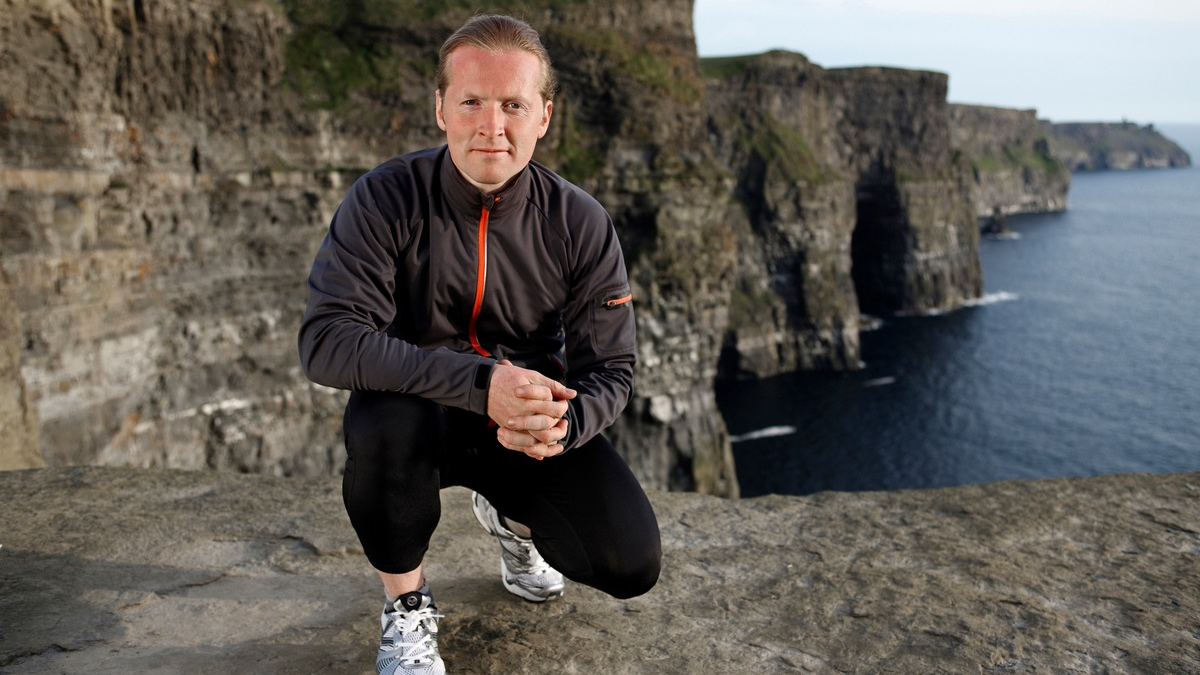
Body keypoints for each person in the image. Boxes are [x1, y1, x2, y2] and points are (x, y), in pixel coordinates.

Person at [297, 14, 662, 675]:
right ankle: (406, 605)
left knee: (630, 561)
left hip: (521, 427)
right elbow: (326, 339)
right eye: (472, 101)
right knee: (381, 424)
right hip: (415, 417)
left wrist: (566, 422)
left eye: (513, 105)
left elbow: (611, 366)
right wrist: (477, 384)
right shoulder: (386, 198)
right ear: (441, 107)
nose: (492, 127)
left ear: (543, 116)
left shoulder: (579, 221)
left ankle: (513, 526)